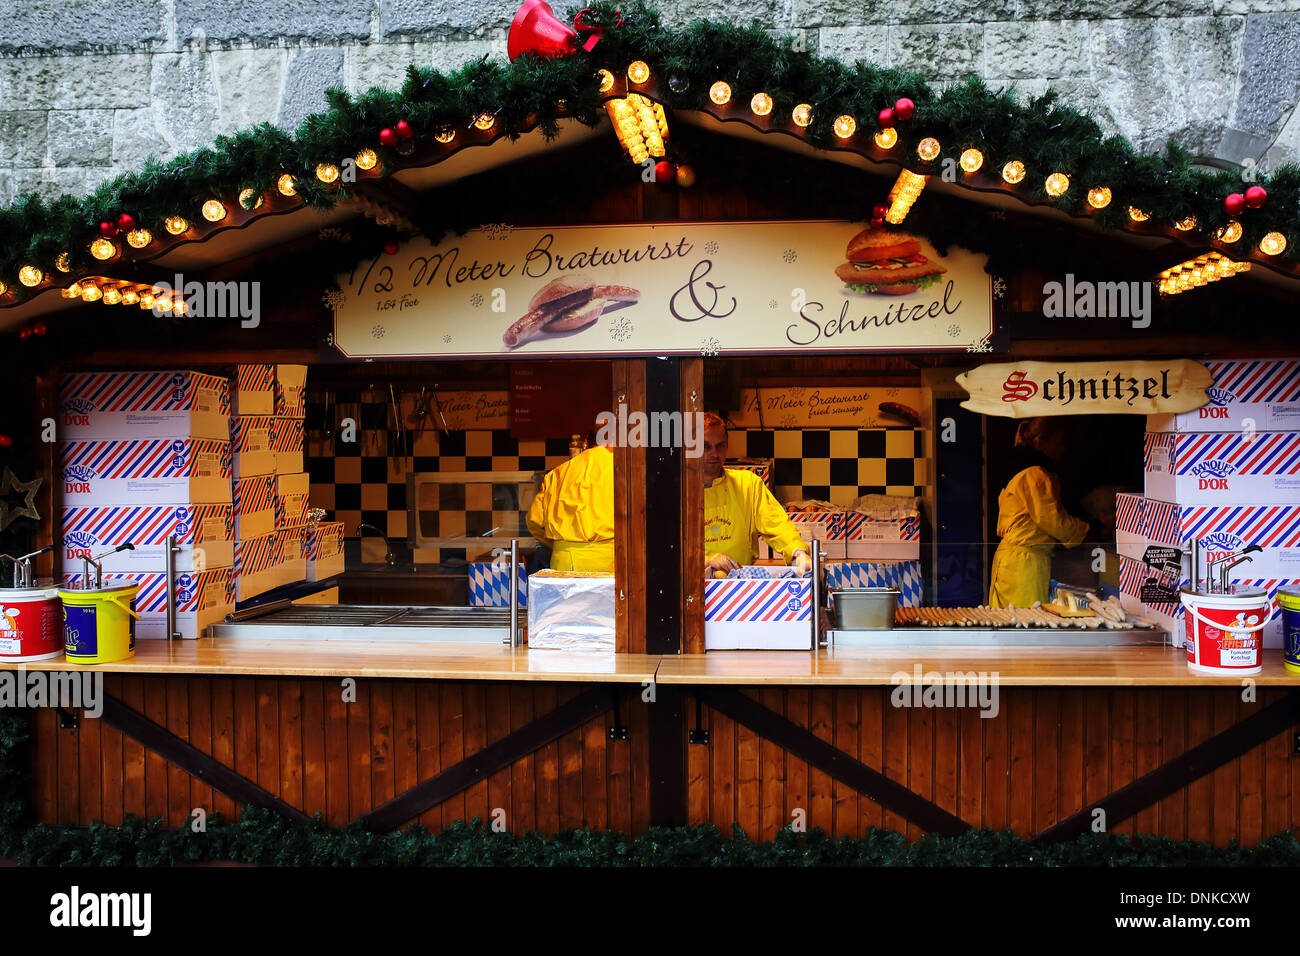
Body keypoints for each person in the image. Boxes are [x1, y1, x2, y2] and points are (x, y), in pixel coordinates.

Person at [988, 417, 1089, 607]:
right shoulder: (1035, 474)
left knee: (1008, 626)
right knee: (1026, 626)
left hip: (1013, 560)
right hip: (1024, 564)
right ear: (1040, 441)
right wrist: (1087, 532)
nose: (1062, 450)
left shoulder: (1021, 468)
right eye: (1058, 443)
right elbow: (1053, 520)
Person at [701, 413, 812, 576]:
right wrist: (706, 561)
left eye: (720, 446)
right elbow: (663, 547)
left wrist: (799, 553)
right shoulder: (677, 492)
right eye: (705, 446)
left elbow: (778, 525)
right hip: (691, 588)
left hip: (741, 587)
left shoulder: (748, 484)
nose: (714, 454)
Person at [525, 415, 614, 572]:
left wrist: (561, 543)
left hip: (564, 562)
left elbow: (534, 520)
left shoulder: (558, 473)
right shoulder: (622, 472)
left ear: (586, 443)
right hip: (610, 562)